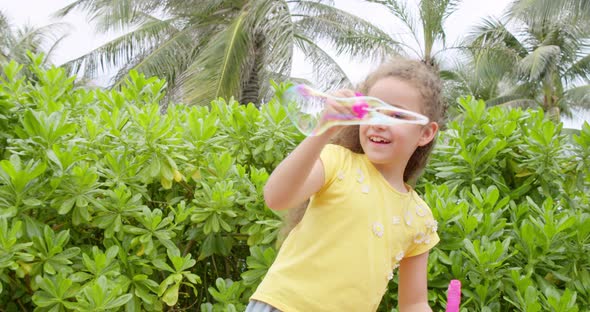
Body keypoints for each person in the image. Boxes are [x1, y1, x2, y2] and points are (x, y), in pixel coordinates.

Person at [247, 56, 446, 312]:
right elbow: (277, 197)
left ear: (426, 133)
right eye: (370, 110)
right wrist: (324, 130)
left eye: (396, 114)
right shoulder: (337, 162)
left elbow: (414, 303)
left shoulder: (419, 218)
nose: (378, 123)